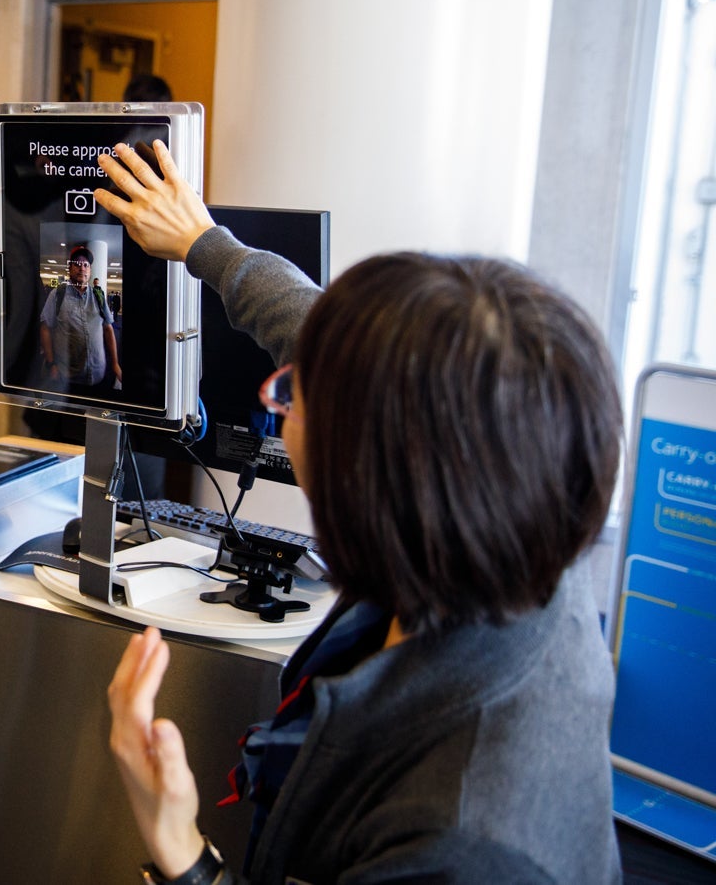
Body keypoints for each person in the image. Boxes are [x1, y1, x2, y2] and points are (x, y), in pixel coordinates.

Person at [95, 140, 623, 884]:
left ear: (370, 476)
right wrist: (204, 245)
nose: (275, 396)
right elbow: (317, 330)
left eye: (292, 396)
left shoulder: (462, 842)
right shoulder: (517, 532)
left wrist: (181, 848)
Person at [39, 244, 122, 393]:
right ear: (70, 268)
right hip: (67, 375)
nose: (82, 268)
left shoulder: (98, 296)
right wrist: (51, 363)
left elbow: (108, 329)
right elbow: (45, 329)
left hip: (98, 373)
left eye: (86, 265)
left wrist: (115, 364)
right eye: (77, 264)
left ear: (90, 271)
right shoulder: (57, 295)